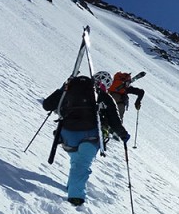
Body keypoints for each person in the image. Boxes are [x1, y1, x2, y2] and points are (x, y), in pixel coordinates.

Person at [42, 72, 129, 206]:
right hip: (89, 135)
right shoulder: (103, 96)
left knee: (77, 162)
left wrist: (62, 89)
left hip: (66, 135)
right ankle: (75, 199)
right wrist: (123, 135)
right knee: (81, 165)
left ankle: (72, 187)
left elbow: (47, 105)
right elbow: (114, 120)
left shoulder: (70, 89)